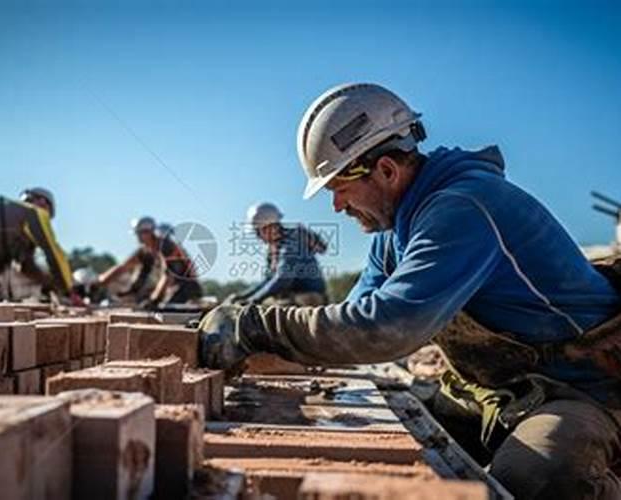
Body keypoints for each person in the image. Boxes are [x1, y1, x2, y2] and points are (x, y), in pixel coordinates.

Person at [199, 83, 621, 499]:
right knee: (415, 436)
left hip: (579, 390)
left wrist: (257, 327)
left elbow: (390, 326)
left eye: (340, 190)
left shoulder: (463, 209)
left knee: (534, 477)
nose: (337, 207)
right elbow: (358, 314)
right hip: (492, 389)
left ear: (386, 170)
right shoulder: (393, 234)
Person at [229, 202, 327, 306]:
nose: (258, 237)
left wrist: (253, 300)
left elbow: (283, 278)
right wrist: (243, 296)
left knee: (273, 310)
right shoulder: (273, 249)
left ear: (270, 227)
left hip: (309, 295)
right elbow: (268, 279)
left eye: (258, 231)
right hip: (293, 295)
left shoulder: (293, 240)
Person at [99, 217, 202, 309]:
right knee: (146, 301)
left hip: (186, 288)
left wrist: (154, 298)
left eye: (140, 233)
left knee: (165, 310)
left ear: (149, 232)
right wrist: (101, 281)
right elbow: (124, 266)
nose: (138, 237)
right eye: (137, 233)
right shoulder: (145, 250)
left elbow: (168, 275)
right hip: (170, 288)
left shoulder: (166, 245)